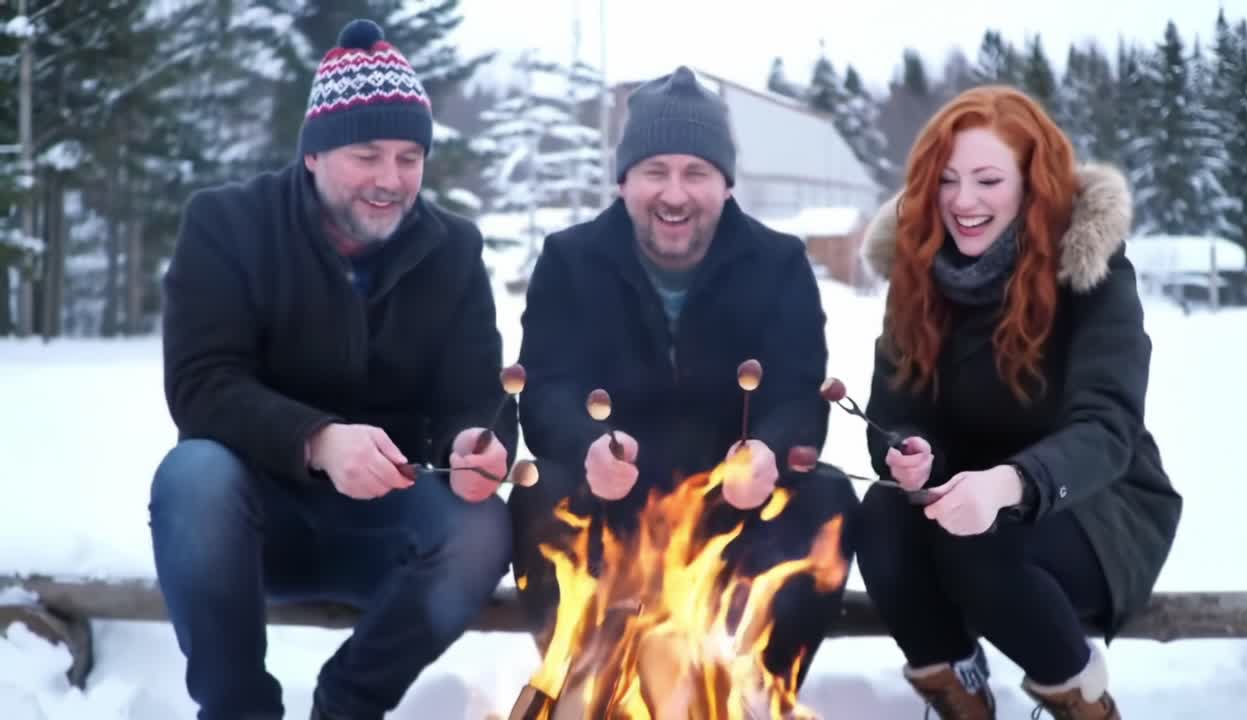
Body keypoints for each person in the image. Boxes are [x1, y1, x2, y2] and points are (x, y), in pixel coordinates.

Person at [150, 19, 515, 720]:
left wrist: (475, 444)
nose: (391, 179)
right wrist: (318, 439)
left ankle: (348, 705)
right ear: (314, 154)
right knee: (192, 475)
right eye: (367, 154)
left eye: (410, 157)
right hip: (249, 526)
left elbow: (475, 396)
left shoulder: (454, 250)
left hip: (388, 526)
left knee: (481, 527)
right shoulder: (227, 224)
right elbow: (201, 385)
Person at [509, 65, 858, 689]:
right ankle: (587, 693)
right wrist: (586, 448)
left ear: (725, 184)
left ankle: (756, 694)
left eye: (696, 172)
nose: (675, 193)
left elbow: (799, 393)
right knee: (540, 491)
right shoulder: (570, 260)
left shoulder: (778, 263)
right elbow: (546, 391)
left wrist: (767, 452)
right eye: (655, 171)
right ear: (624, 181)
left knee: (827, 497)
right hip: (614, 501)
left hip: (734, 503)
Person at [854, 85, 1182, 720]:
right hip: (962, 497)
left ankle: (1079, 692)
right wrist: (909, 452)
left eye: (987, 180)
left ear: (1033, 183)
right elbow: (893, 411)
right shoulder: (916, 273)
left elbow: (1108, 425)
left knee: (977, 538)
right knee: (882, 517)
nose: (963, 201)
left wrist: (1009, 484)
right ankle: (956, 686)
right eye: (947, 180)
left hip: (1091, 503)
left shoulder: (1090, 271)